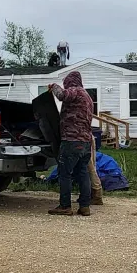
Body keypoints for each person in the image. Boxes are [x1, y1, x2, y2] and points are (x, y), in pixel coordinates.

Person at [48, 71, 94, 216]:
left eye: (65, 83)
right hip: (86, 141)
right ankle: (85, 206)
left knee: (65, 173)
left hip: (71, 140)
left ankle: (65, 206)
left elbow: (62, 95)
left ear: (70, 82)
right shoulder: (87, 96)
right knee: (83, 173)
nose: (65, 86)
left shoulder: (75, 91)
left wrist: (53, 86)